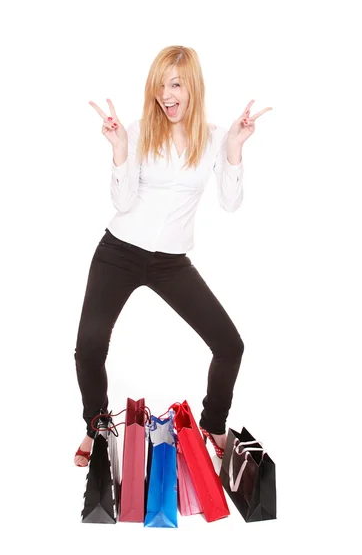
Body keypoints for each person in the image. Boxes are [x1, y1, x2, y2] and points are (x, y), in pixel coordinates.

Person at [73, 45, 272, 466]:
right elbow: (123, 202)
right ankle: (96, 426)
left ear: (192, 86)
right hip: (118, 252)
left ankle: (213, 424)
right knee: (89, 346)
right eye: (161, 85)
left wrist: (235, 148)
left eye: (176, 84)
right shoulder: (141, 129)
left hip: (170, 262)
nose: (167, 94)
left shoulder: (215, 136)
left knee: (229, 345)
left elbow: (231, 202)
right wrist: (120, 149)